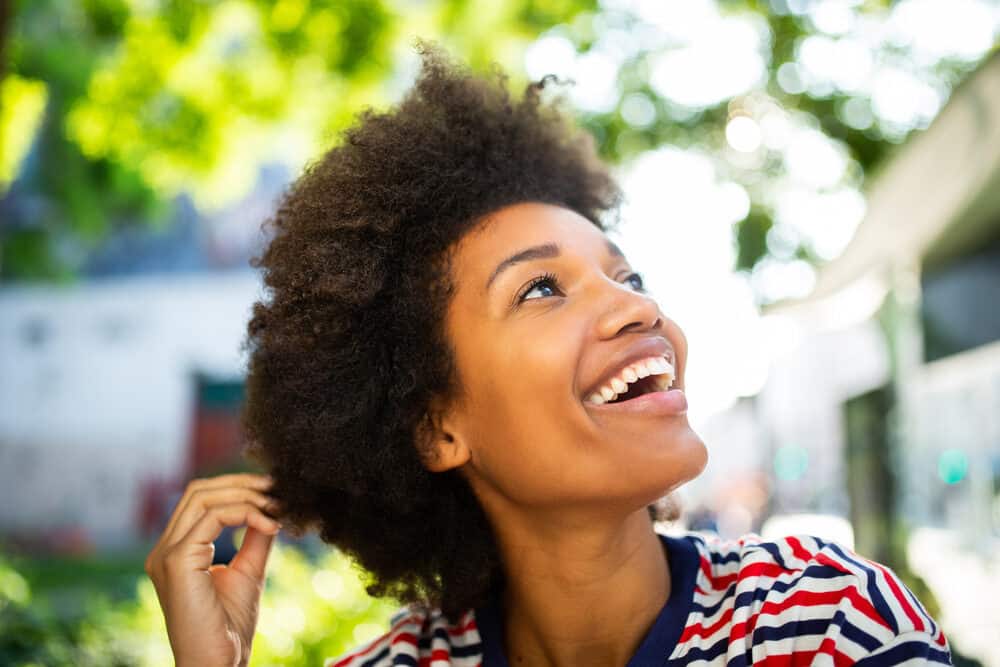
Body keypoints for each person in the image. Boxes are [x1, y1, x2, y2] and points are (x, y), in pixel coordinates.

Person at [145, 43, 952, 667]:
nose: (639, 307)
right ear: (436, 427)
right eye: (541, 289)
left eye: (627, 274)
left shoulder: (824, 625)